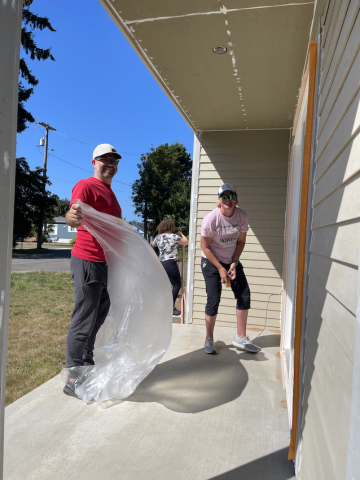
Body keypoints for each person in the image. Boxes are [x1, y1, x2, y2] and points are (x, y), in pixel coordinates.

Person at [64, 143, 122, 398]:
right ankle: (73, 378)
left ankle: (86, 367)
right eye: (104, 159)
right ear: (94, 162)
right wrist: (73, 217)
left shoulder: (110, 192)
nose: (109, 164)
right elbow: (73, 213)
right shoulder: (86, 185)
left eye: (113, 160)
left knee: (97, 318)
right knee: (84, 319)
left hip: (106, 264)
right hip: (88, 260)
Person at [200, 183, 261, 355]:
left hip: (231, 259)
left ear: (235, 198)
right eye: (224, 196)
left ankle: (240, 337)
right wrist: (220, 268)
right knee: (214, 299)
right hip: (211, 261)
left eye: (231, 196)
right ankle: (209, 338)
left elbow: (241, 241)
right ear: (219, 200)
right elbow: (205, 247)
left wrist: (234, 263)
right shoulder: (211, 219)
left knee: (244, 294)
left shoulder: (241, 216)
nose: (228, 199)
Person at [152, 219, 188, 317]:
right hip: (170, 263)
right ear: (171, 227)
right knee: (176, 285)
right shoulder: (174, 236)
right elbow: (186, 242)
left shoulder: (158, 237)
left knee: (165, 286)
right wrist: (180, 233)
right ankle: (170, 308)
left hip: (160, 263)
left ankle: (161, 307)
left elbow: (153, 244)